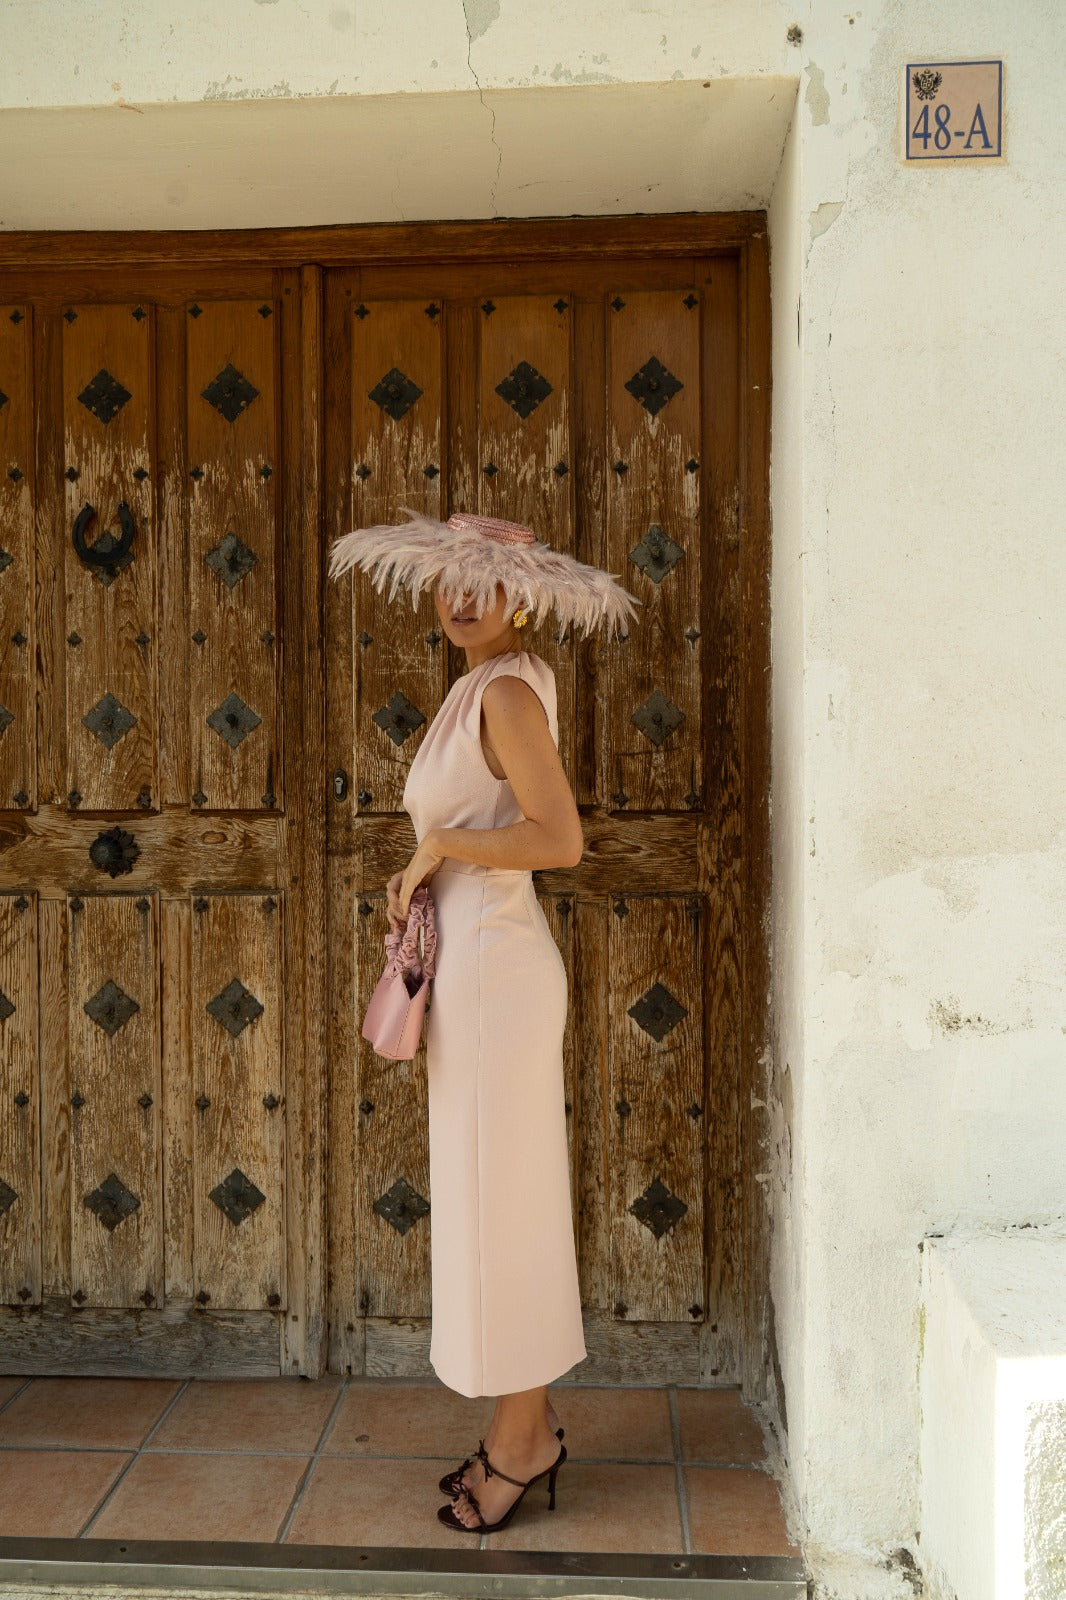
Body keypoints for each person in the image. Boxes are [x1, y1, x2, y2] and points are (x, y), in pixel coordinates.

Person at [328, 509, 640, 1535]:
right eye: (449, 579)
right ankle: (525, 1423)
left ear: (523, 596)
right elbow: (485, 828)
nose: (462, 597)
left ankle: (522, 1443)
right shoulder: (481, 687)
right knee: (490, 1197)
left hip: (498, 976)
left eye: (486, 581)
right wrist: (426, 866)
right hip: (474, 967)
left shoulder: (505, 691)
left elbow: (560, 838)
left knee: (504, 1202)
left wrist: (442, 847)